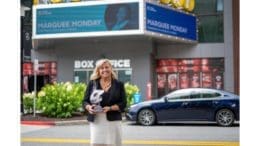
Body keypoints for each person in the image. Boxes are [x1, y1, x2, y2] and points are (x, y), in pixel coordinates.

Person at [82, 59, 127, 146]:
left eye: (107, 67)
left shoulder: (119, 84)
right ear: (98, 70)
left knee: (113, 143)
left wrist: (110, 108)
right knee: (97, 143)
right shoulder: (92, 83)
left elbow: (123, 103)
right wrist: (89, 107)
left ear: (111, 69)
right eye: (101, 68)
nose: (104, 70)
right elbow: (85, 101)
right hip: (96, 120)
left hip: (113, 120)